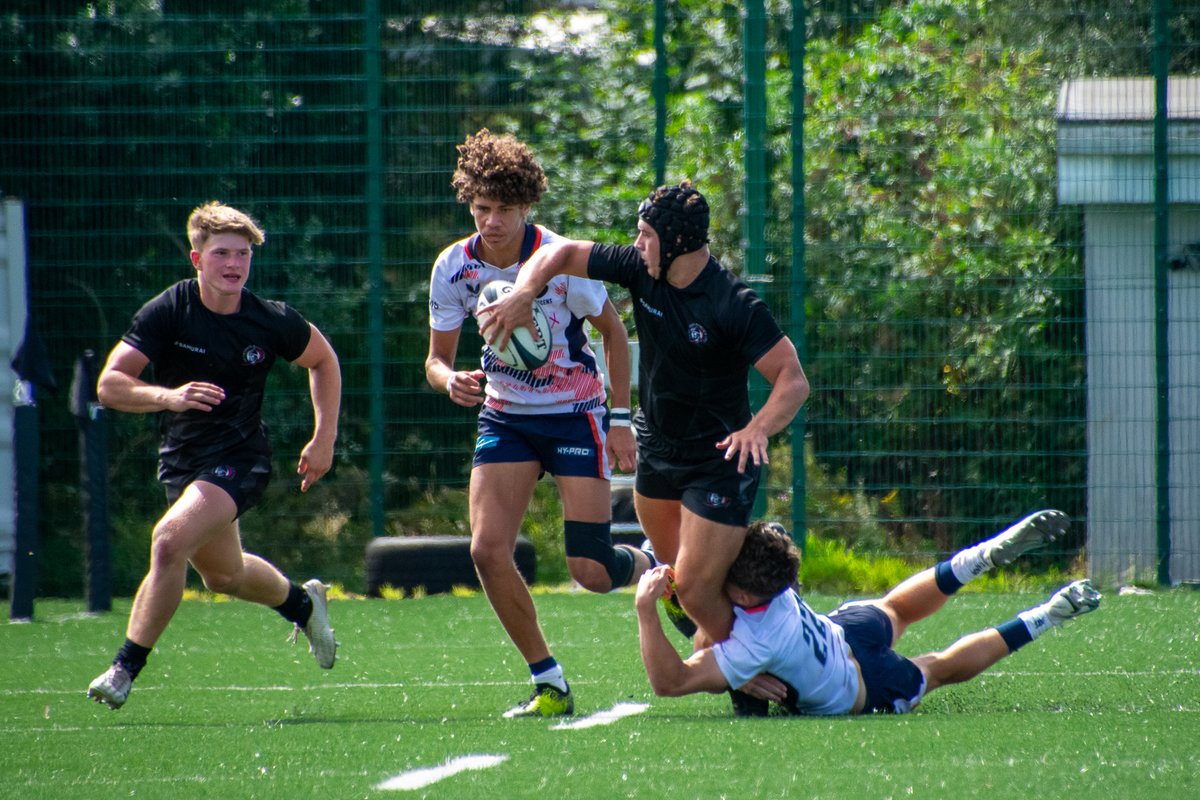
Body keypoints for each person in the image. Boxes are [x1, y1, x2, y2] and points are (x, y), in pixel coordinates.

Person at [480, 180, 810, 647]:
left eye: (645, 234)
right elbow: (559, 253)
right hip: (657, 447)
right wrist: (525, 292)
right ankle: (755, 604)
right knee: (680, 581)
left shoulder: (732, 304)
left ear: (675, 242)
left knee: (695, 591)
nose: (637, 244)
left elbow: (793, 380)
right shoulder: (640, 268)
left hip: (717, 460)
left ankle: (759, 664)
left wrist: (757, 429)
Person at [425, 129, 652, 718]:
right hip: (505, 418)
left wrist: (621, 420)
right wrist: (449, 381)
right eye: (480, 208)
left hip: (576, 414)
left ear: (527, 206)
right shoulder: (453, 267)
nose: (491, 221)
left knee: (593, 571)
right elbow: (436, 359)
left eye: (503, 209)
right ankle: (549, 681)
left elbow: (616, 336)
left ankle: (653, 565)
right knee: (487, 549)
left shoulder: (560, 259)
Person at [86, 201, 342, 710]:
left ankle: (124, 668)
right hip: (182, 459)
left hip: (240, 458)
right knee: (223, 575)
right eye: (222, 252)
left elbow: (324, 360)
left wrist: (325, 437)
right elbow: (111, 385)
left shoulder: (269, 320)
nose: (234, 264)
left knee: (167, 542)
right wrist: (170, 396)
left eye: (242, 254)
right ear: (196, 259)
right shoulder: (169, 310)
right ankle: (302, 603)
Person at [635, 510, 1101, 716]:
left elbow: (670, 682)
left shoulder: (755, 641)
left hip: (861, 686)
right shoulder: (775, 578)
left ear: (742, 595)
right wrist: (737, 672)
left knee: (934, 667)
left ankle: (1049, 614)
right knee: (895, 608)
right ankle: (977, 558)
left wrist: (645, 609)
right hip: (840, 629)